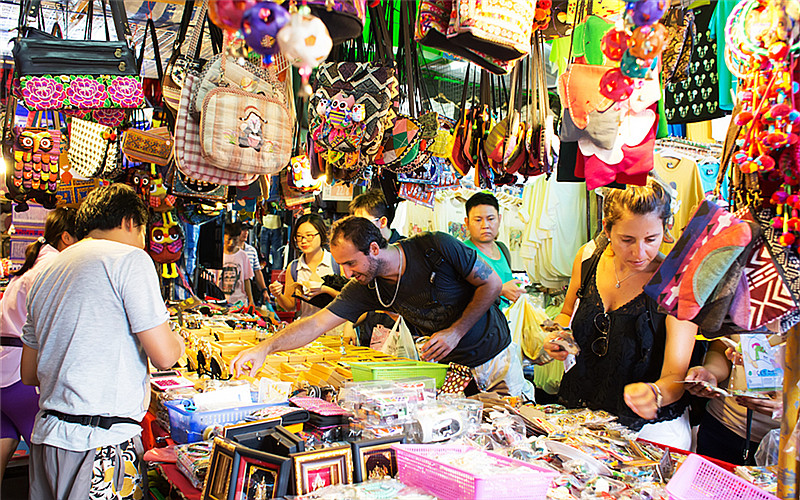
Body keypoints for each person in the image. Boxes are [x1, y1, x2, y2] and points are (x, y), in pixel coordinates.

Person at [236, 216, 534, 398]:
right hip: (450, 371)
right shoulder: (367, 285)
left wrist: (455, 332)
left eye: (351, 263)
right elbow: (316, 324)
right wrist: (265, 348)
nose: (348, 273)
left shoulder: (435, 247)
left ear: (374, 249)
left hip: (495, 357)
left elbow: (492, 284)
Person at [20, 184, 184, 499]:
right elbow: (165, 356)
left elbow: (29, 373)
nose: (143, 240)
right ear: (128, 221)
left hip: (47, 439)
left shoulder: (46, 271)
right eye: (144, 230)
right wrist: (178, 341)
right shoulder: (129, 259)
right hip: (100, 444)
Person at [543, 180, 697, 449]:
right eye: (627, 240)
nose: (639, 252)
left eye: (651, 239)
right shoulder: (588, 259)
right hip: (581, 417)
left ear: (665, 229)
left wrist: (655, 393)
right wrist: (560, 336)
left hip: (647, 433)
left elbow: (676, 376)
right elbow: (567, 312)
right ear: (607, 228)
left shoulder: (677, 282)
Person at [0, 207, 77, 483]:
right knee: (51, 472)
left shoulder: (34, 266)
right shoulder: (54, 269)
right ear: (67, 238)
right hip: (20, 377)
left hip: (5, 375)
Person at [685, 338, 781, 464]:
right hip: (721, 425)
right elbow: (723, 344)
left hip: (784, 445)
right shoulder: (740, 318)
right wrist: (712, 372)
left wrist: (792, 409)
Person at [268, 214, 340, 319]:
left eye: (309, 235)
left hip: (336, 329)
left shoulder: (336, 262)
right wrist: (278, 295)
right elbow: (290, 306)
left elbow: (349, 300)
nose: (304, 241)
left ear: (321, 234)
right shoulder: (294, 267)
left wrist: (325, 289)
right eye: (299, 236)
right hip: (308, 328)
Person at [463, 192, 523, 308]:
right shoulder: (464, 253)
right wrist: (499, 290)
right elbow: (457, 296)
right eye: (478, 220)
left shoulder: (502, 249)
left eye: (491, 219)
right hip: (479, 324)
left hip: (505, 322)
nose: (485, 225)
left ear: (499, 219)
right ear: (467, 222)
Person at [222, 221, 255, 307]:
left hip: (240, 302)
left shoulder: (243, 255)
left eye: (235, 240)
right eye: (229, 239)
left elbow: (247, 279)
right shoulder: (219, 255)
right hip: (221, 301)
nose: (231, 243)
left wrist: (251, 300)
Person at [239, 223, 268, 304]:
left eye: (247, 230)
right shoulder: (230, 251)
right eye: (243, 230)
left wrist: (264, 290)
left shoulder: (251, 250)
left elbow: (257, 271)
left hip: (248, 289)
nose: (246, 233)